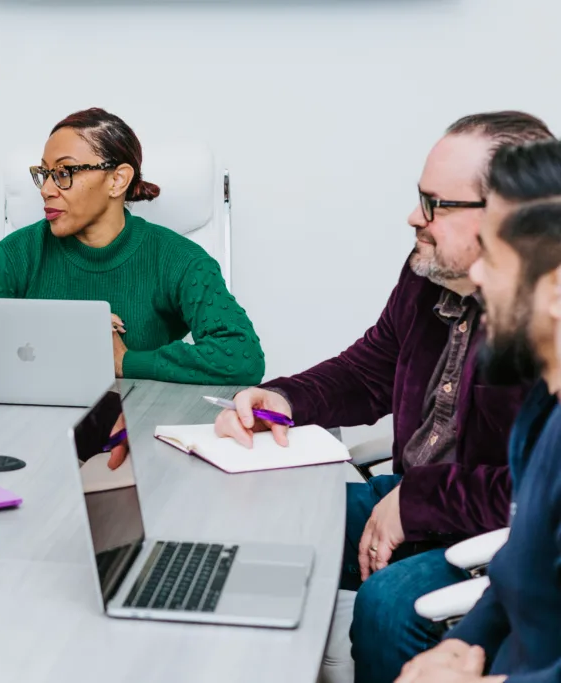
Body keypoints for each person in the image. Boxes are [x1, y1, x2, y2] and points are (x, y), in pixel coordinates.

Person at [212, 112, 555, 683]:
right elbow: (371, 369)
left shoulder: (536, 330)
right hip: (418, 496)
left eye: (436, 204)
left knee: (388, 605)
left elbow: (532, 497)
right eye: (419, 197)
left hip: (482, 523)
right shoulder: (429, 273)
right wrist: (280, 399)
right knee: (269, 518)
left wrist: (418, 501)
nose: (414, 218)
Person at [394, 141, 561, 683]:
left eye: (496, 258)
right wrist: (460, 643)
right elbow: (517, 572)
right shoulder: (545, 412)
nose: (480, 279)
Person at [0, 107, 264, 386]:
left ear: (117, 180)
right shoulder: (16, 254)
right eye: (44, 174)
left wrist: (125, 362)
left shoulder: (180, 260)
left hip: (137, 425)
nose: (46, 190)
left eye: (63, 173)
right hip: (31, 424)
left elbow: (243, 356)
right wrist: (70, 328)